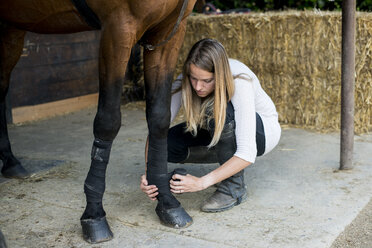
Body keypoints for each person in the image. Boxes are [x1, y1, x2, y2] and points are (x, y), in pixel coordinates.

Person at [141, 38, 281, 213]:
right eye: (193, 78)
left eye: (207, 81)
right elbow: (157, 131)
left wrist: (201, 183)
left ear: (220, 75)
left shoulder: (239, 80)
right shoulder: (186, 80)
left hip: (262, 134)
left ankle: (233, 188)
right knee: (168, 144)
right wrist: (151, 173)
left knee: (217, 109)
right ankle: (225, 158)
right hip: (217, 129)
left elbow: (247, 152)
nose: (198, 87)